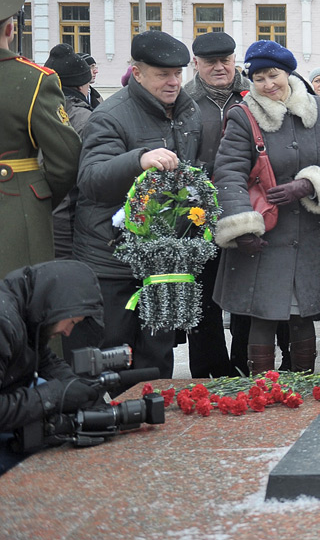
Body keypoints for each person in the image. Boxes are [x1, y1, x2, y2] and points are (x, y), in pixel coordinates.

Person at [212, 41, 320, 374]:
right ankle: (262, 391)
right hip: (265, 235)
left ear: (288, 73)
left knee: (303, 317)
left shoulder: (319, 109)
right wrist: (242, 227)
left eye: (273, 75)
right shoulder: (243, 115)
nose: (267, 84)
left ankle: (303, 387)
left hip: (310, 235)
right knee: (263, 317)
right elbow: (229, 172)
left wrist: (310, 184)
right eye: (259, 78)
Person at [71, 31, 200, 377]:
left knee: (158, 354)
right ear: (138, 73)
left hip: (164, 258)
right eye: (163, 74)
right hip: (113, 259)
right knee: (114, 353)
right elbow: (91, 179)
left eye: (178, 73)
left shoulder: (188, 110)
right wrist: (138, 160)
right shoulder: (111, 115)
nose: (174, 82)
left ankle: (155, 410)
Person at [0, 0, 81, 277]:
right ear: (11, 29)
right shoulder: (35, 80)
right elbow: (66, 158)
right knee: (17, 296)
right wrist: (34, 196)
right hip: (14, 211)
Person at [181, 31, 250, 377]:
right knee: (203, 295)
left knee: (246, 291)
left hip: (246, 208)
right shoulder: (183, 100)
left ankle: (245, 363)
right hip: (197, 214)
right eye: (211, 62)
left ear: (235, 59)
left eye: (226, 60)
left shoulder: (252, 93)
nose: (220, 67)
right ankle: (210, 371)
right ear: (196, 63)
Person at [0, 261, 105, 474]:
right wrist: (53, 396)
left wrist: (78, 388)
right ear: (57, 304)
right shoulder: (4, 324)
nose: (68, 332)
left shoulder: (29, 307)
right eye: (72, 322)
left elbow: (44, 359)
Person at [42, 47, 94, 260]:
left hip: (37, 216)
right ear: (81, 85)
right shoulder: (84, 119)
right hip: (68, 222)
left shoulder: (35, 110)